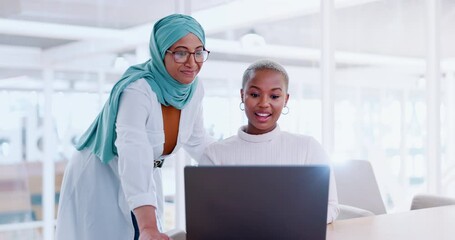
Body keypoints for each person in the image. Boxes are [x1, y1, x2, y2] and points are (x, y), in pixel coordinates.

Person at [56, 14, 214, 240]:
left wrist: (240, 164)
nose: (192, 62)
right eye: (180, 53)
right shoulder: (138, 90)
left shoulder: (193, 90)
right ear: (161, 53)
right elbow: (133, 150)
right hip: (101, 171)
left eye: (198, 52)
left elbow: (198, 141)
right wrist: (149, 227)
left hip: (143, 170)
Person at [199, 59, 339, 223]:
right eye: (255, 94)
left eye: (274, 96)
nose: (264, 103)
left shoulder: (308, 148)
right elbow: (204, 216)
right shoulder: (215, 154)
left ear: (285, 100)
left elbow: (330, 206)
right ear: (242, 95)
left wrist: (291, 223)